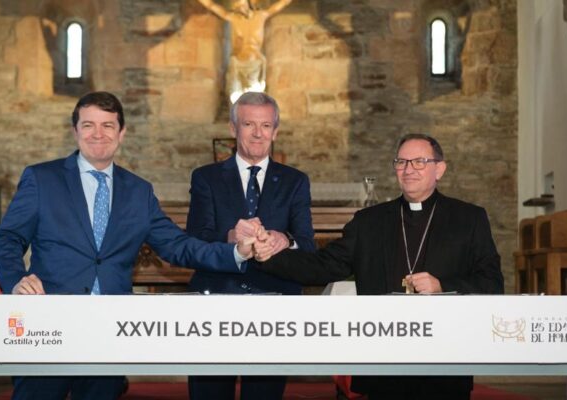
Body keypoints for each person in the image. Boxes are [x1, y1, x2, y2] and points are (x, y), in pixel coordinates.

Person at [0, 91, 256, 400]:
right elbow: (7, 239)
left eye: (108, 125)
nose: (98, 134)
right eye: (88, 125)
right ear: (75, 130)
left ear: (122, 133)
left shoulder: (139, 191)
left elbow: (177, 246)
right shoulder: (41, 179)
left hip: (109, 332)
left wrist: (236, 252)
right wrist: (16, 279)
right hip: (48, 324)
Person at [254, 133, 504, 400]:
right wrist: (267, 256)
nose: (408, 169)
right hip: (384, 363)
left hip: (444, 361)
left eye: (419, 162)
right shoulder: (369, 222)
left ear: (439, 169)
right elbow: (322, 265)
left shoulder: (468, 219)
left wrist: (442, 285)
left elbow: (491, 282)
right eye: (401, 162)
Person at [186, 91, 315, 400]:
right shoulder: (206, 178)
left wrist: (285, 240)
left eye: (266, 125)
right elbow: (195, 240)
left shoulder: (295, 181)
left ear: (275, 131)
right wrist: (232, 236)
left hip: (274, 303)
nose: (258, 133)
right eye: (249, 124)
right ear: (233, 128)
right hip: (216, 301)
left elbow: (307, 244)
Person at [196, 0, 292, 103]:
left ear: (249, 3)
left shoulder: (261, 16)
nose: (240, 8)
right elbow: (211, 5)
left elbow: (282, 3)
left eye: (241, 4)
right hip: (237, 64)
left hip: (255, 65)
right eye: (237, 6)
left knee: (253, 101)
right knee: (235, 99)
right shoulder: (233, 18)